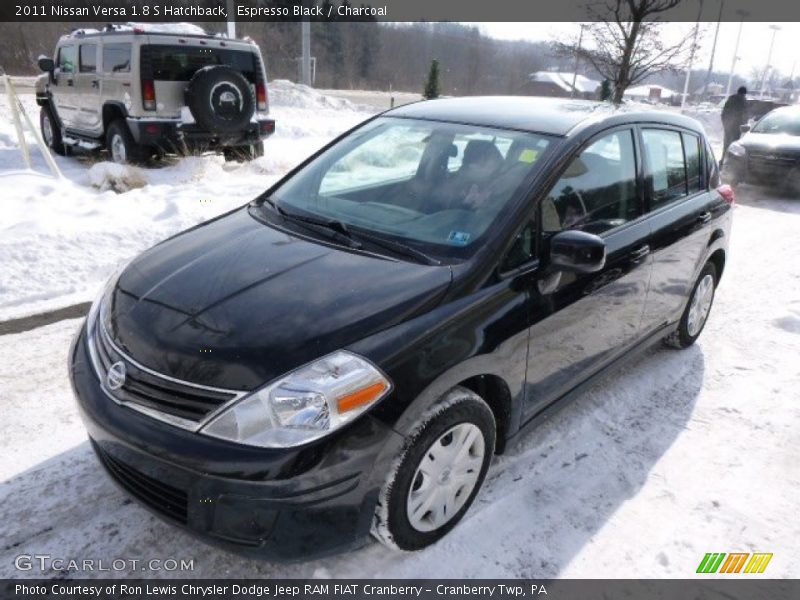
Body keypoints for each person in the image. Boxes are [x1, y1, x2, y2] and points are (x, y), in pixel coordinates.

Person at [721, 86, 748, 161]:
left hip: (728, 125)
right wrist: (744, 124)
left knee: (726, 143)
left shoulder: (731, 99)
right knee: (734, 145)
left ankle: (723, 159)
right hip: (736, 127)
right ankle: (730, 161)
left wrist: (725, 123)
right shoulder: (743, 101)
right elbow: (744, 115)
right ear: (744, 93)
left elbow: (724, 112)